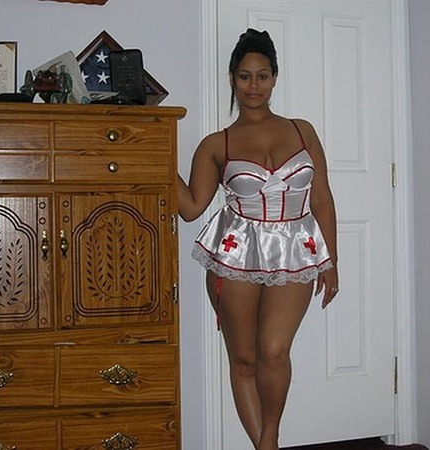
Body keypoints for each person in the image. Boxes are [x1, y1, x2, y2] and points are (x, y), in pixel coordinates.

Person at [178, 28, 339, 450]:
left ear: (274, 78)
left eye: (262, 76)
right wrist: (155, 152)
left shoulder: (302, 131)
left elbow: (322, 197)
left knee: (274, 349)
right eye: (245, 76)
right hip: (235, 255)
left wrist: (331, 262)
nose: (254, 86)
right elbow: (191, 207)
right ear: (232, 78)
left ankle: (269, 440)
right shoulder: (216, 143)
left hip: (295, 252)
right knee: (245, 358)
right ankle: (268, 446)